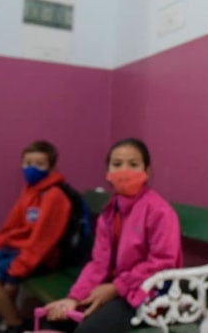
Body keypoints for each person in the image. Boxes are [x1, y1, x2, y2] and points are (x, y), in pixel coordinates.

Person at [41, 138, 182, 333]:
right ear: (108, 172)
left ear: (147, 172)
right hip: (116, 288)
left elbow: (162, 261)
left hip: (148, 293)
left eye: (133, 164)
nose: (124, 171)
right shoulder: (109, 213)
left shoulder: (160, 211)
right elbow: (99, 263)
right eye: (117, 164)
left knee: (88, 330)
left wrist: (117, 287)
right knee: (54, 321)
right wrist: (74, 298)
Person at [0, 140, 72, 333]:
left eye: (39, 164)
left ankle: (16, 324)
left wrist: (15, 274)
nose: (31, 169)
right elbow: (11, 226)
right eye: (27, 163)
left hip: (41, 258)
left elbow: (41, 244)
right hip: (17, 250)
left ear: (52, 167)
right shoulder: (30, 190)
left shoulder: (54, 196)